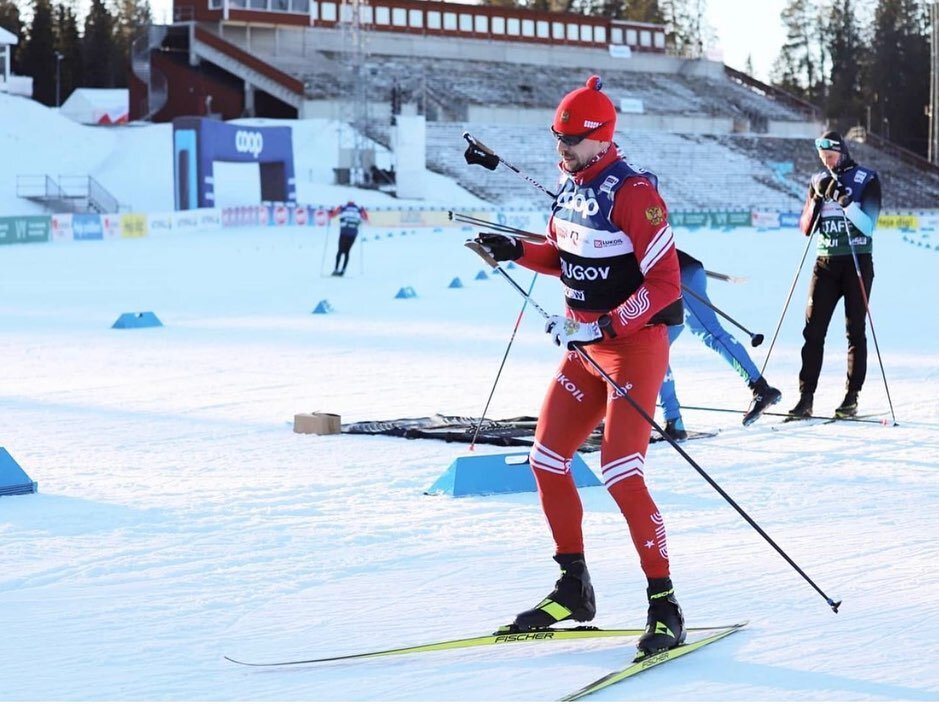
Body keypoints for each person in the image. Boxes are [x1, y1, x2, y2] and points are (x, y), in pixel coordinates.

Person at [473, 75, 686, 658]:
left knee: (620, 471)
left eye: (572, 138)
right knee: (545, 460)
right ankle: (574, 587)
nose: (562, 148)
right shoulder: (569, 190)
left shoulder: (632, 191)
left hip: (634, 346)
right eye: (556, 137)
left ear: (602, 137)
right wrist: (516, 249)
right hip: (584, 348)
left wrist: (606, 326)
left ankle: (665, 602)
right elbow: (565, 258)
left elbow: (666, 286)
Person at [787, 131, 882, 419]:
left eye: (831, 156)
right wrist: (817, 196)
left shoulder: (867, 178)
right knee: (813, 331)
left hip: (856, 262)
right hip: (825, 263)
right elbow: (805, 228)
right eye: (823, 158)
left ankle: (852, 396)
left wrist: (845, 202)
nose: (827, 162)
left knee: (855, 331)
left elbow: (868, 225)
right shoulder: (818, 180)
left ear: (843, 152)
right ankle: (806, 397)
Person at [660, 250, 782, 439]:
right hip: (674, 279)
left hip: (681, 277)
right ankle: (673, 421)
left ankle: (761, 389)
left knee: (711, 334)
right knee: (656, 349)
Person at [328, 200, 369, 276]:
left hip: (344, 232)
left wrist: (330, 212)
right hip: (353, 233)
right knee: (347, 251)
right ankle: (343, 270)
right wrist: (363, 211)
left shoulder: (343, 207)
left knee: (340, 251)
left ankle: (336, 269)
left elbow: (332, 215)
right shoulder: (359, 209)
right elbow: (366, 218)